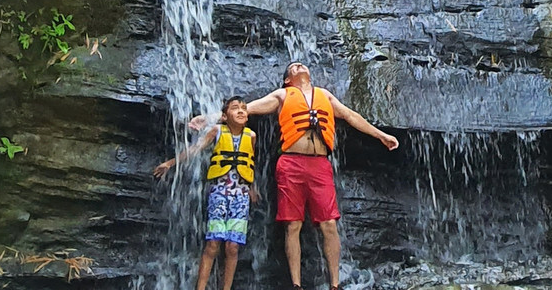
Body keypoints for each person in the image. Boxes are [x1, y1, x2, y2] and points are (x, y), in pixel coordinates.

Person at [191, 62, 399, 290]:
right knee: (292, 224)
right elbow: (246, 109)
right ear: (287, 80)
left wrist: (381, 135)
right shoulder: (282, 95)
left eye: (302, 65)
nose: (299, 66)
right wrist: (209, 118)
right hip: (290, 163)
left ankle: (335, 284)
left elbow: (351, 115)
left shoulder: (325, 96)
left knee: (329, 223)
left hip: (320, 164)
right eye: (293, 67)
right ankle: (296, 284)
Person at [154, 96, 260, 290]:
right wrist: (170, 164)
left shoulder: (251, 136)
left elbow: (250, 162)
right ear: (224, 116)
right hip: (220, 193)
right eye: (235, 108)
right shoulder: (217, 130)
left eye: (244, 108)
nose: (241, 111)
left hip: (241, 195)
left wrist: (252, 188)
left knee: (233, 246)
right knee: (213, 243)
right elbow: (195, 149)